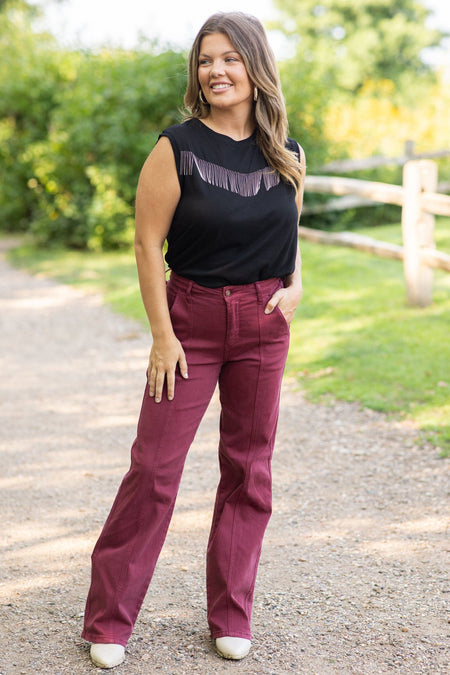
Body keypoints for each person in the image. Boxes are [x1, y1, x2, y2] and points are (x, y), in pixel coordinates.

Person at [81, 10, 305, 669]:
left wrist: (295, 288)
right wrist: (162, 335)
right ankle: (108, 619)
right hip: (192, 322)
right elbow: (147, 244)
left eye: (230, 59)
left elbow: (290, 244)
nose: (216, 71)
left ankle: (231, 613)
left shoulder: (289, 157)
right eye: (206, 60)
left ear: (256, 69)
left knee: (248, 466)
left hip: (264, 328)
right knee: (153, 469)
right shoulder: (175, 147)